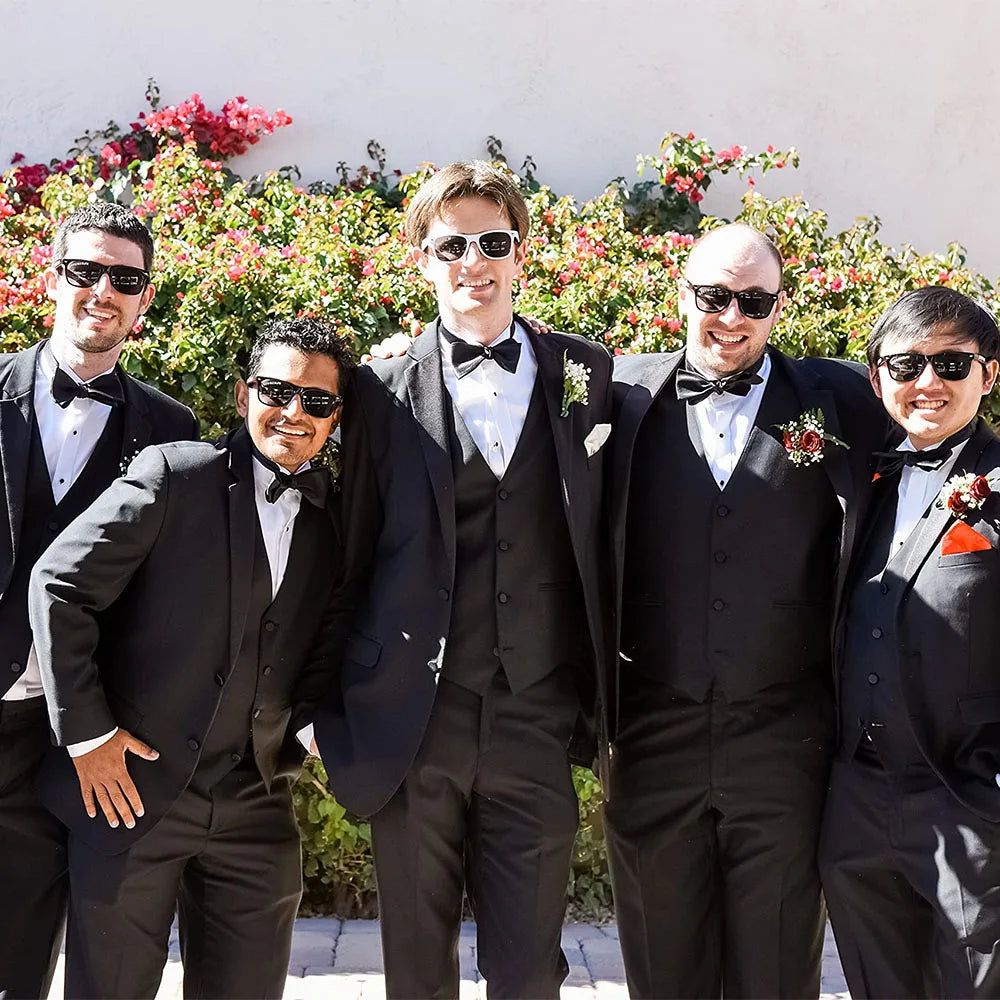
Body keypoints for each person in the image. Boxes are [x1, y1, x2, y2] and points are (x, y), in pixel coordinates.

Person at [315, 160, 613, 999]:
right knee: (417, 967)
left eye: (493, 242)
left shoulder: (587, 375)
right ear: (422, 260)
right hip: (415, 716)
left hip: (536, 713)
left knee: (529, 968)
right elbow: (345, 556)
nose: (473, 262)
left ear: (521, 253)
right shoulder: (376, 390)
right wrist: (321, 705)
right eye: (452, 246)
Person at [27, 317, 353, 999]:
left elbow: (322, 642)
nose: (294, 412)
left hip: (255, 803)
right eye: (276, 391)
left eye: (317, 400)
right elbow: (59, 585)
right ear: (243, 395)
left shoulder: (333, 518)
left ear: (335, 415)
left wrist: (311, 729)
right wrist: (88, 735)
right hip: (129, 792)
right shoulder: (175, 475)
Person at [605, 222, 889, 997]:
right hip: (651, 736)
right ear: (681, 294)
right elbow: (509, 416)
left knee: (777, 972)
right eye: (714, 296)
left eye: (754, 302)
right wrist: (397, 368)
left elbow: (937, 406)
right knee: (662, 972)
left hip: (786, 740)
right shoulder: (619, 394)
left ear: (779, 307)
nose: (732, 317)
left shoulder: (841, 400)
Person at [0, 202, 198, 999]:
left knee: (21, 960)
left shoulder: (171, 430)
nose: (103, 291)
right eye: (86, 271)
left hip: (67, 739)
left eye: (125, 278)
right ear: (52, 278)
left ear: (145, 296)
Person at [819, 286, 1000, 998]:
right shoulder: (853, 482)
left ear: (989, 374)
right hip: (857, 802)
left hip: (969, 802)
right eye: (907, 365)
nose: (928, 382)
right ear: (877, 380)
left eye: (952, 364)